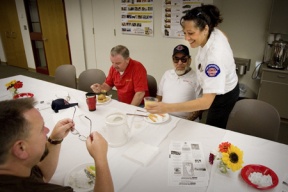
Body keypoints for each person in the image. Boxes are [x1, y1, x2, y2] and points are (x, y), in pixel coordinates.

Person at [146, 4, 239, 128]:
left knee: (213, 127)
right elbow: (225, 37)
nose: (186, 38)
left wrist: (166, 107)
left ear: (205, 29)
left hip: (225, 95)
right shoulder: (213, 31)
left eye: (190, 33)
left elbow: (205, 103)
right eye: (184, 33)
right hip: (217, 78)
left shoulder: (214, 59)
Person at [0, 98, 114, 192]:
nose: (47, 130)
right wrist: (100, 158)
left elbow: (42, 176)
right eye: (41, 129)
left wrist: (55, 139)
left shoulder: (15, 168)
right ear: (21, 148)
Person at [157, 44, 201, 121]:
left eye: (184, 59)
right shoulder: (167, 74)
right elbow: (159, 97)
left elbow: (200, 105)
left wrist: (187, 121)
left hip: (186, 120)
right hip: (164, 116)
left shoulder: (197, 78)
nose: (179, 63)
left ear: (190, 60)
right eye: (176, 59)